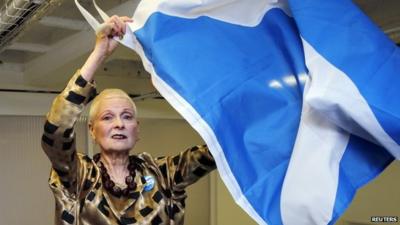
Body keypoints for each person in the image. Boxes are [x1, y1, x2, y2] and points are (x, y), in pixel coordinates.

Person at [41, 15, 216, 225]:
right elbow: (56, 129)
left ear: (137, 129)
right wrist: (99, 54)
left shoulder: (163, 174)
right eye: (107, 117)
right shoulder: (79, 176)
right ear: (92, 130)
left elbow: (219, 150)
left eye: (127, 116)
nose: (119, 124)